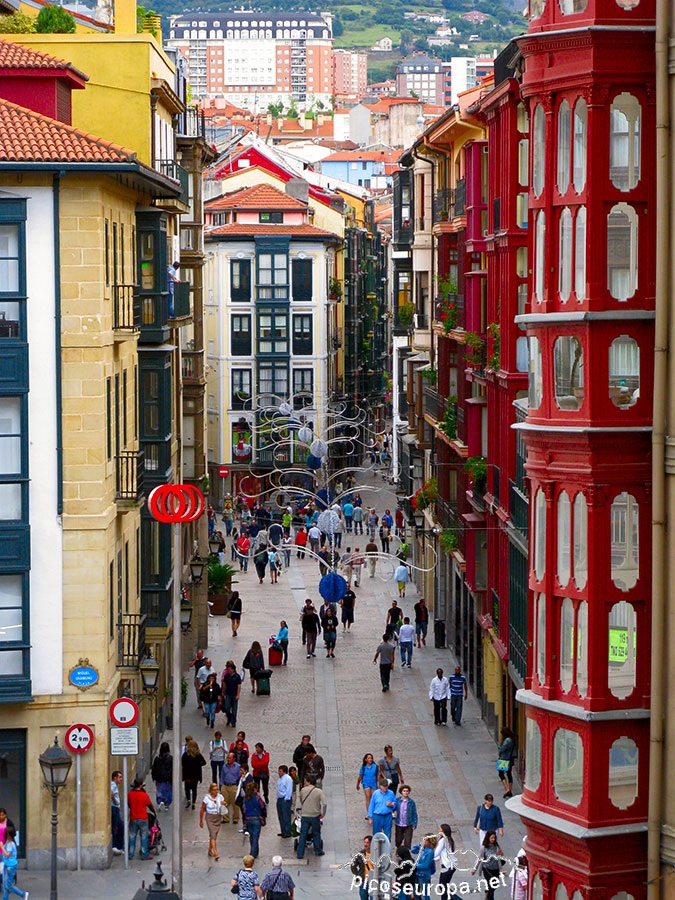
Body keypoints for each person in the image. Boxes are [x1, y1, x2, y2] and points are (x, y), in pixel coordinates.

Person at [296, 776, 327, 858]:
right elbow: (324, 804)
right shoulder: (319, 791)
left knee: (303, 834)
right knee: (316, 833)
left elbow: (301, 799)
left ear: (308, 782)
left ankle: (300, 853)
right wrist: (323, 814)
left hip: (305, 815)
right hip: (315, 815)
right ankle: (318, 851)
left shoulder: (303, 790)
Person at [127, 777, 154, 861]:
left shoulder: (130, 794)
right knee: (144, 837)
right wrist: (154, 812)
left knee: (132, 836)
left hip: (133, 817)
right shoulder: (144, 795)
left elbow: (129, 804)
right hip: (143, 818)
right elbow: (149, 805)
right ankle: (144, 854)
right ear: (141, 785)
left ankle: (130, 854)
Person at [473, 831, 505, 899]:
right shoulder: (483, 848)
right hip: (487, 869)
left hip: (496, 869)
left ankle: (487, 893)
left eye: (494, 838)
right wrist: (474, 869)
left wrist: (501, 854)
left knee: (495, 885)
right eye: (491, 838)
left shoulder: (497, 846)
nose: (493, 839)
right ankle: (490, 897)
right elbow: (479, 859)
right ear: (488, 838)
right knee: (491, 886)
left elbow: (502, 856)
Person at [0, 824, 28, 899]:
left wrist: (2, 848)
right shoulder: (7, 843)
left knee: (8, 885)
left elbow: (8, 855)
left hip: (10, 866)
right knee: (5, 885)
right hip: (7, 865)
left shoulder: (10, 844)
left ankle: (23, 894)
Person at [200, 782, 226, 860]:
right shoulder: (206, 798)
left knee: (214, 835)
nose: (216, 791)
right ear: (210, 790)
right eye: (214, 790)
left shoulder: (220, 797)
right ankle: (215, 853)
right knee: (213, 834)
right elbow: (202, 809)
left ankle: (209, 850)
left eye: (217, 790)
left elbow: (223, 805)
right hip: (210, 817)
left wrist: (224, 804)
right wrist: (201, 820)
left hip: (217, 816)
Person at [242, 781, 266, 858]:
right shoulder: (257, 797)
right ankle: (253, 853)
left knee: (251, 836)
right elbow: (262, 806)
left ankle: (255, 851)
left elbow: (244, 809)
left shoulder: (245, 798)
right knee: (255, 836)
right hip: (256, 819)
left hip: (248, 819)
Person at [182, 741, 206, 811]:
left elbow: (182, 763)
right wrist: (198, 765)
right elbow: (204, 762)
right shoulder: (198, 755)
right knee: (194, 789)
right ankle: (193, 803)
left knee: (187, 788)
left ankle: (189, 799)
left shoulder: (186, 755)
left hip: (187, 775)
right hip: (195, 775)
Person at [393, 785, 417, 850]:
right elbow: (393, 808)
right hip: (399, 823)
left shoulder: (411, 802)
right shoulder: (397, 800)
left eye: (407, 791)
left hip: (408, 824)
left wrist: (414, 824)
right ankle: (398, 850)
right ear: (401, 792)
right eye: (404, 791)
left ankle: (406, 853)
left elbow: (414, 813)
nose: (406, 792)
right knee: (398, 840)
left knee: (408, 840)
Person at [220, 752, 242, 824]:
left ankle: (235, 818)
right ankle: (226, 818)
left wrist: (238, 786)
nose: (228, 759)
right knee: (224, 803)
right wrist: (221, 785)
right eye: (228, 758)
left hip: (233, 786)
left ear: (234, 759)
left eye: (230, 758)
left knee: (235, 804)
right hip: (225, 786)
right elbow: (222, 776)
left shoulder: (238, 767)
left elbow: (240, 777)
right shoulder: (224, 766)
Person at [151, 741, 173, 810]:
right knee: (168, 790)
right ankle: (167, 803)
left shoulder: (157, 758)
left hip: (159, 778)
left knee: (160, 789)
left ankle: (160, 800)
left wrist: (153, 777)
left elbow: (154, 768)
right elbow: (173, 768)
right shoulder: (170, 758)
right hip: (168, 778)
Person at [435, 823, 458, 889]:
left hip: (447, 866)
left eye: (440, 829)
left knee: (442, 887)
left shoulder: (443, 840)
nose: (439, 830)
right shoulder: (449, 839)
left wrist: (428, 857)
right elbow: (440, 855)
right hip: (452, 865)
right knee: (445, 886)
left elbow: (436, 853)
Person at [352, 835, 374, 900]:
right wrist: (357, 874)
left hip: (374, 881)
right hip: (364, 881)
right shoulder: (361, 854)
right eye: (365, 842)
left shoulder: (376, 854)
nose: (365, 844)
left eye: (367, 843)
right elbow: (353, 865)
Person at [497, 727, 517, 798]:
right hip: (510, 759)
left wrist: (499, 747)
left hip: (504, 759)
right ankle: (510, 789)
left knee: (501, 773)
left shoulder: (507, 740)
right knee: (509, 773)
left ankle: (507, 789)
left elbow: (503, 749)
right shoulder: (514, 739)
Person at [221, 660, 242, 727]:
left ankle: (233, 721)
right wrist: (223, 692)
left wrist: (238, 695)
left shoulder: (237, 676)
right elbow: (224, 683)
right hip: (228, 693)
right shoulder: (227, 676)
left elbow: (239, 686)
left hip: (234, 694)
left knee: (234, 709)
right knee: (226, 707)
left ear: (233, 670)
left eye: (229, 669)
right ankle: (229, 717)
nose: (228, 671)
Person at [276, 765, 294, 838]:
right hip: (280, 798)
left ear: (284, 771)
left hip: (285, 799)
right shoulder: (280, 779)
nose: (279, 773)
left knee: (286, 816)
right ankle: (283, 830)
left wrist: (287, 798)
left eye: (280, 771)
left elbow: (289, 789)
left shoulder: (288, 779)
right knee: (281, 816)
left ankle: (287, 831)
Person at [110, 771, 124, 853]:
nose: (121, 779)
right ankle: (115, 846)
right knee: (116, 826)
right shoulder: (113, 785)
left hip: (115, 808)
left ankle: (118, 846)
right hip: (114, 808)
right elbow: (110, 792)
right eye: (120, 777)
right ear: (115, 778)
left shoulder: (114, 785)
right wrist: (115, 801)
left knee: (120, 825)